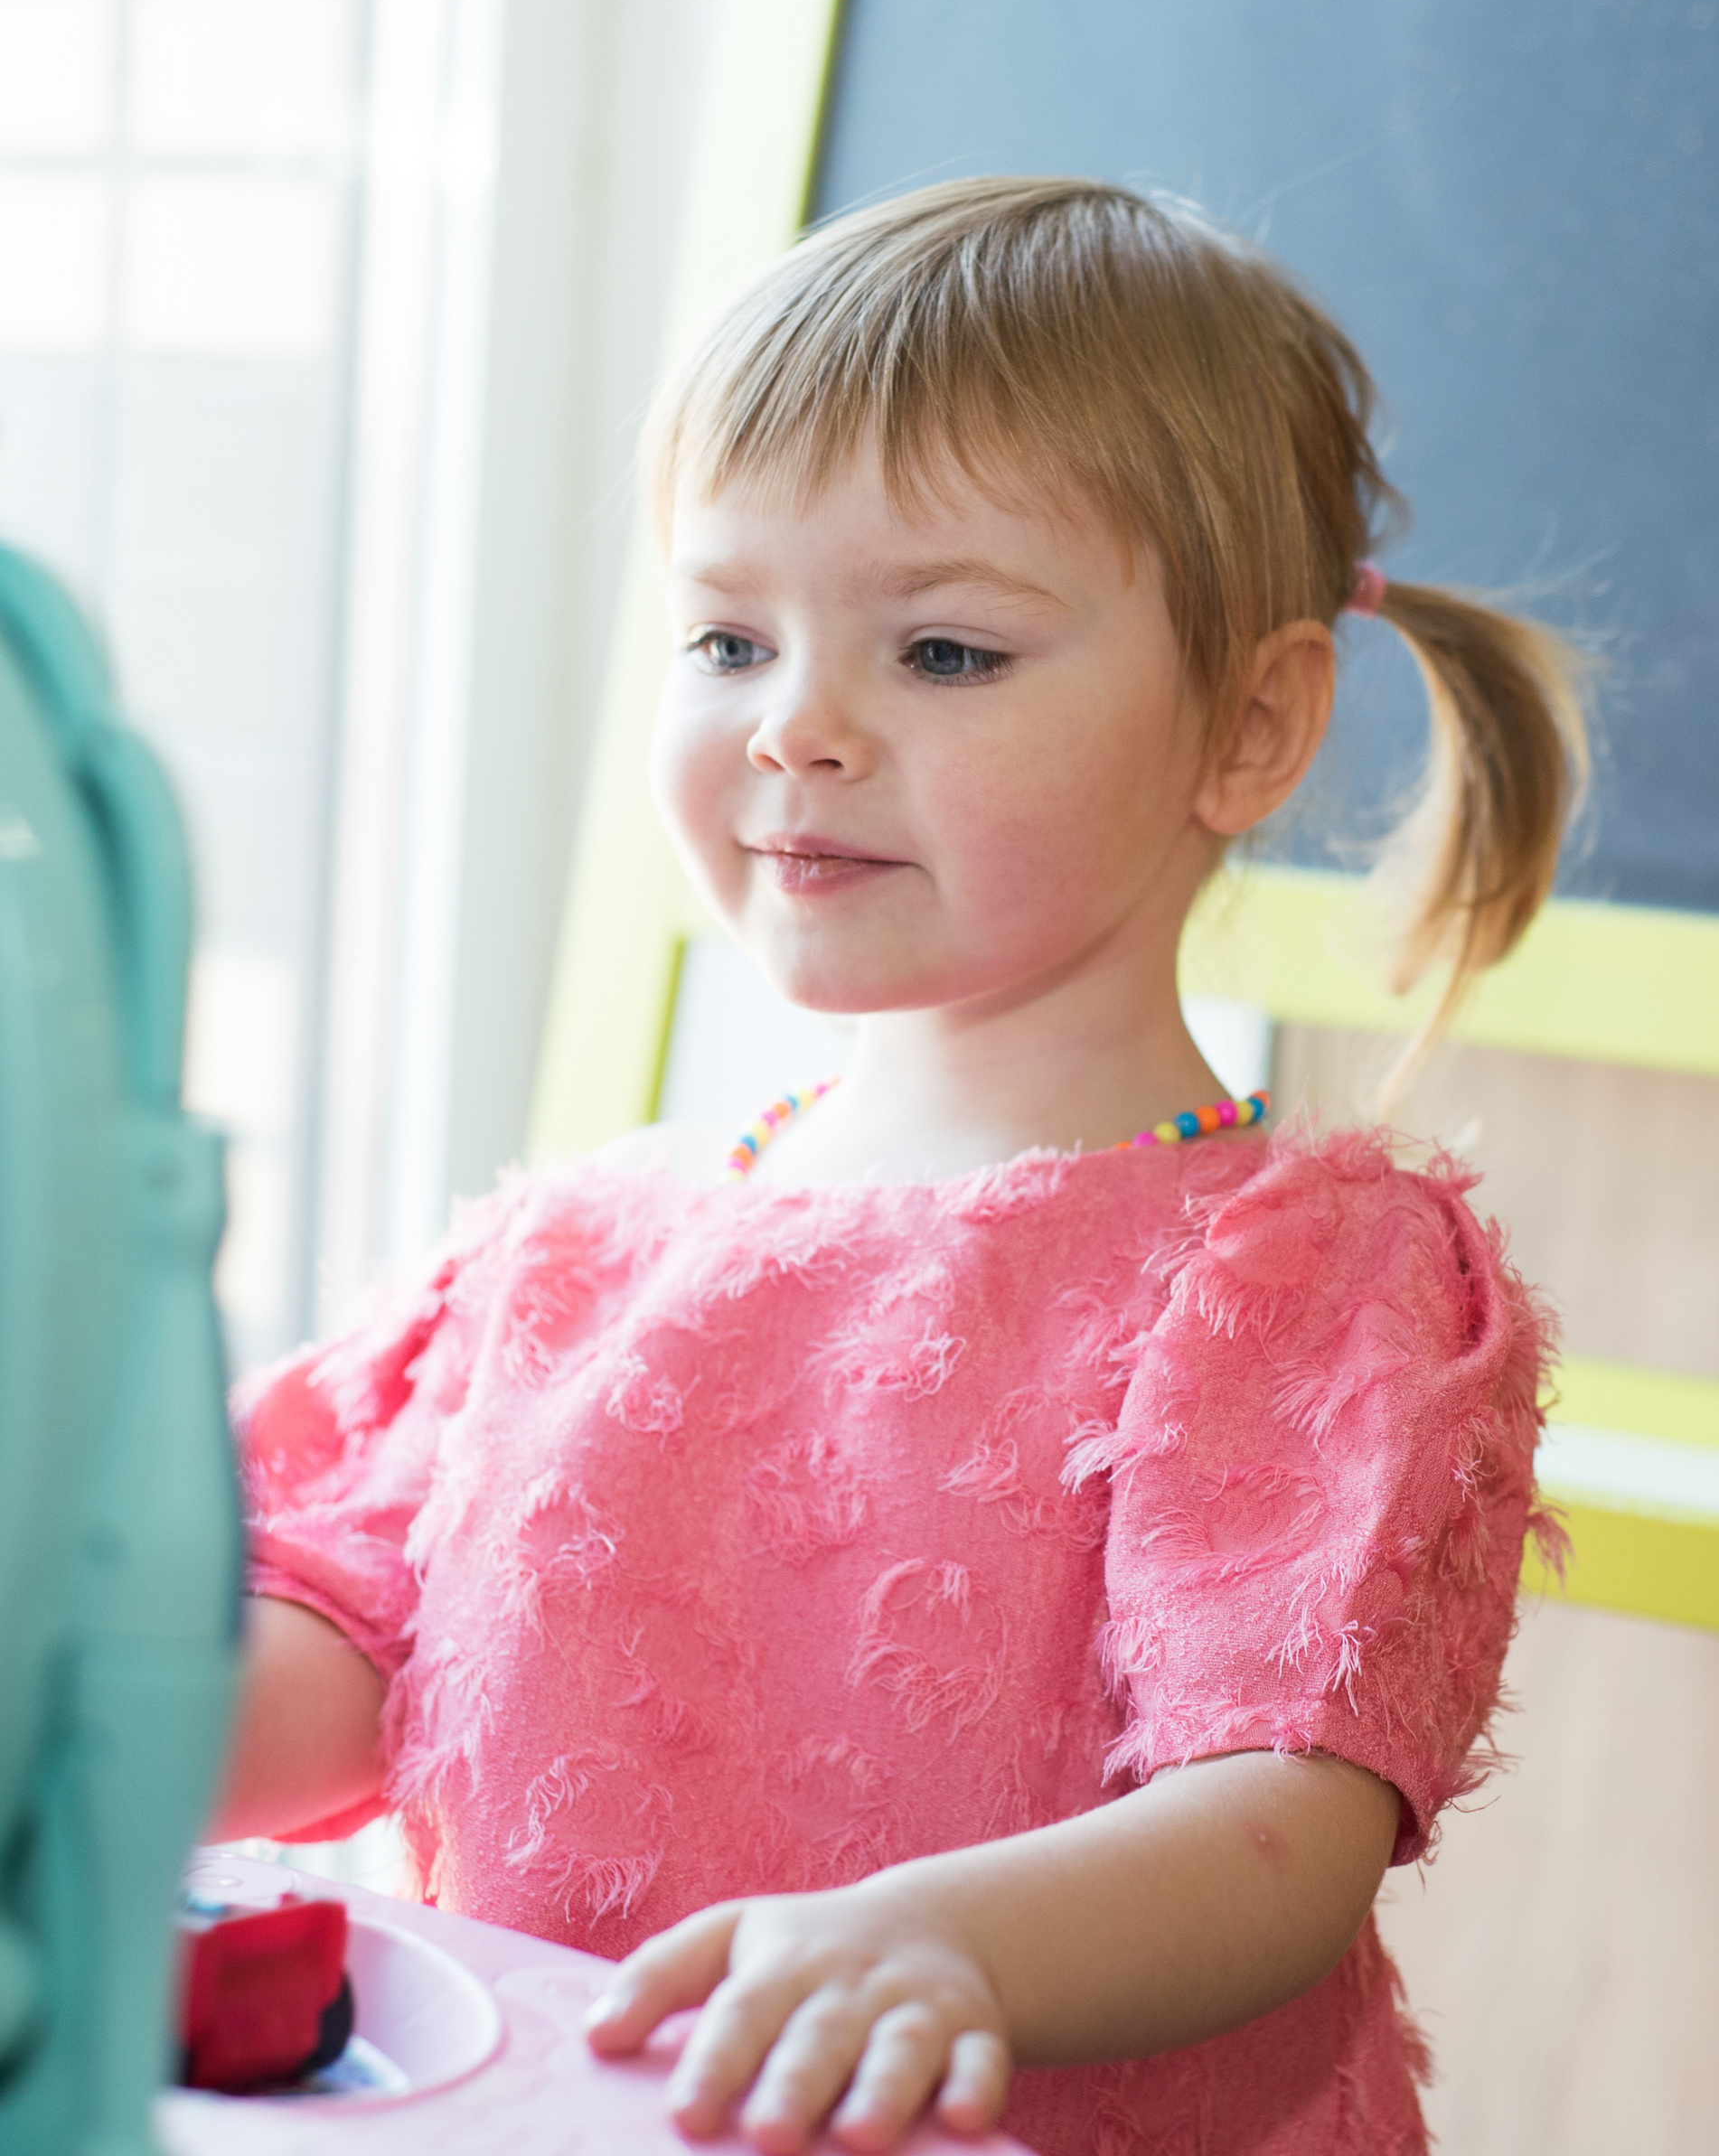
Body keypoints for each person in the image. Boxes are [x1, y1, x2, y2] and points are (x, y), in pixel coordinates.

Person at [214, 177, 1587, 2156]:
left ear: (1252, 721)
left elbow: (1282, 1818)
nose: (796, 728)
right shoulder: (572, 1250)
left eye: (941, 651)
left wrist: (941, 1943)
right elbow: (332, 1668)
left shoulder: (1296, 1277)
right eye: (725, 633)